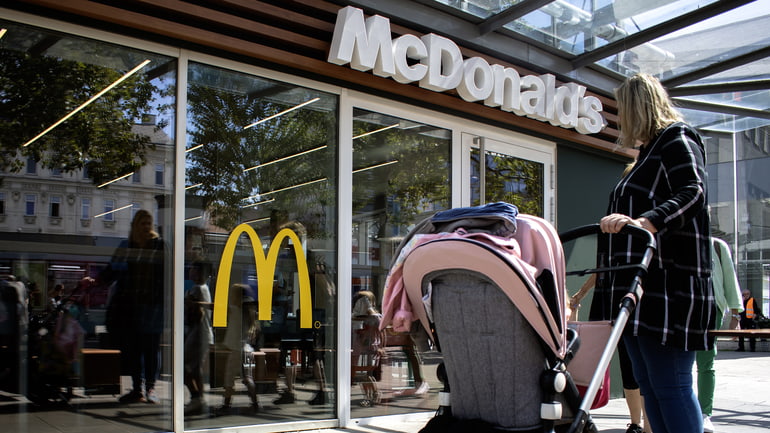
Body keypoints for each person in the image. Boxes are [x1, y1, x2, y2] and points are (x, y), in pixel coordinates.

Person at [598, 73, 714, 433]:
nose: (620, 121)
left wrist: (646, 220)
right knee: (651, 385)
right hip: (639, 286)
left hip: (669, 283)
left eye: (623, 111)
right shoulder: (646, 154)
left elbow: (693, 190)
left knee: (671, 385)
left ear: (637, 107)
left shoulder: (676, 138)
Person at [570, 274, 649, 433]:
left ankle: (647, 427)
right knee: (625, 367)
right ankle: (636, 424)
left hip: (631, 299)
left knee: (635, 366)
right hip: (607, 299)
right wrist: (581, 293)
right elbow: (600, 268)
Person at [102, 209, 167, 404]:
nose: (147, 227)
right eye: (142, 223)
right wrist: (95, 280)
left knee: (151, 349)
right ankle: (137, 389)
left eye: (149, 223)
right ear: (135, 226)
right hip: (130, 307)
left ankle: (150, 388)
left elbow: (167, 276)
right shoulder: (127, 246)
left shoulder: (159, 246)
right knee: (133, 350)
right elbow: (111, 271)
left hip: (153, 307)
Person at [696, 237, 743, 433]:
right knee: (677, 365)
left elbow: (729, 278)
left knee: (706, 362)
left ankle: (704, 413)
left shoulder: (716, 245)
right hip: (679, 307)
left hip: (710, 308)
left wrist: (735, 314)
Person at [213, 283, 260, 416]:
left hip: (236, 351)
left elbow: (217, 307)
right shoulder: (249, 313)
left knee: (229, 378)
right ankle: (255, 403)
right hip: (247, 350)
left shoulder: (235, 310)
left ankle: (226, 405)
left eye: (232, 294)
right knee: (248, 378)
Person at [183, 260, 213, 415]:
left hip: (198, 334)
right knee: (195, 368)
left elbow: (196, 312)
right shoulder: (203, 288)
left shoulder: (198, 289)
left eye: (194, 269)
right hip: (201, 333)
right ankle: (198, 399)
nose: (191, 272)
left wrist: (188, 303)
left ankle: (197, 398)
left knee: (186, 368)